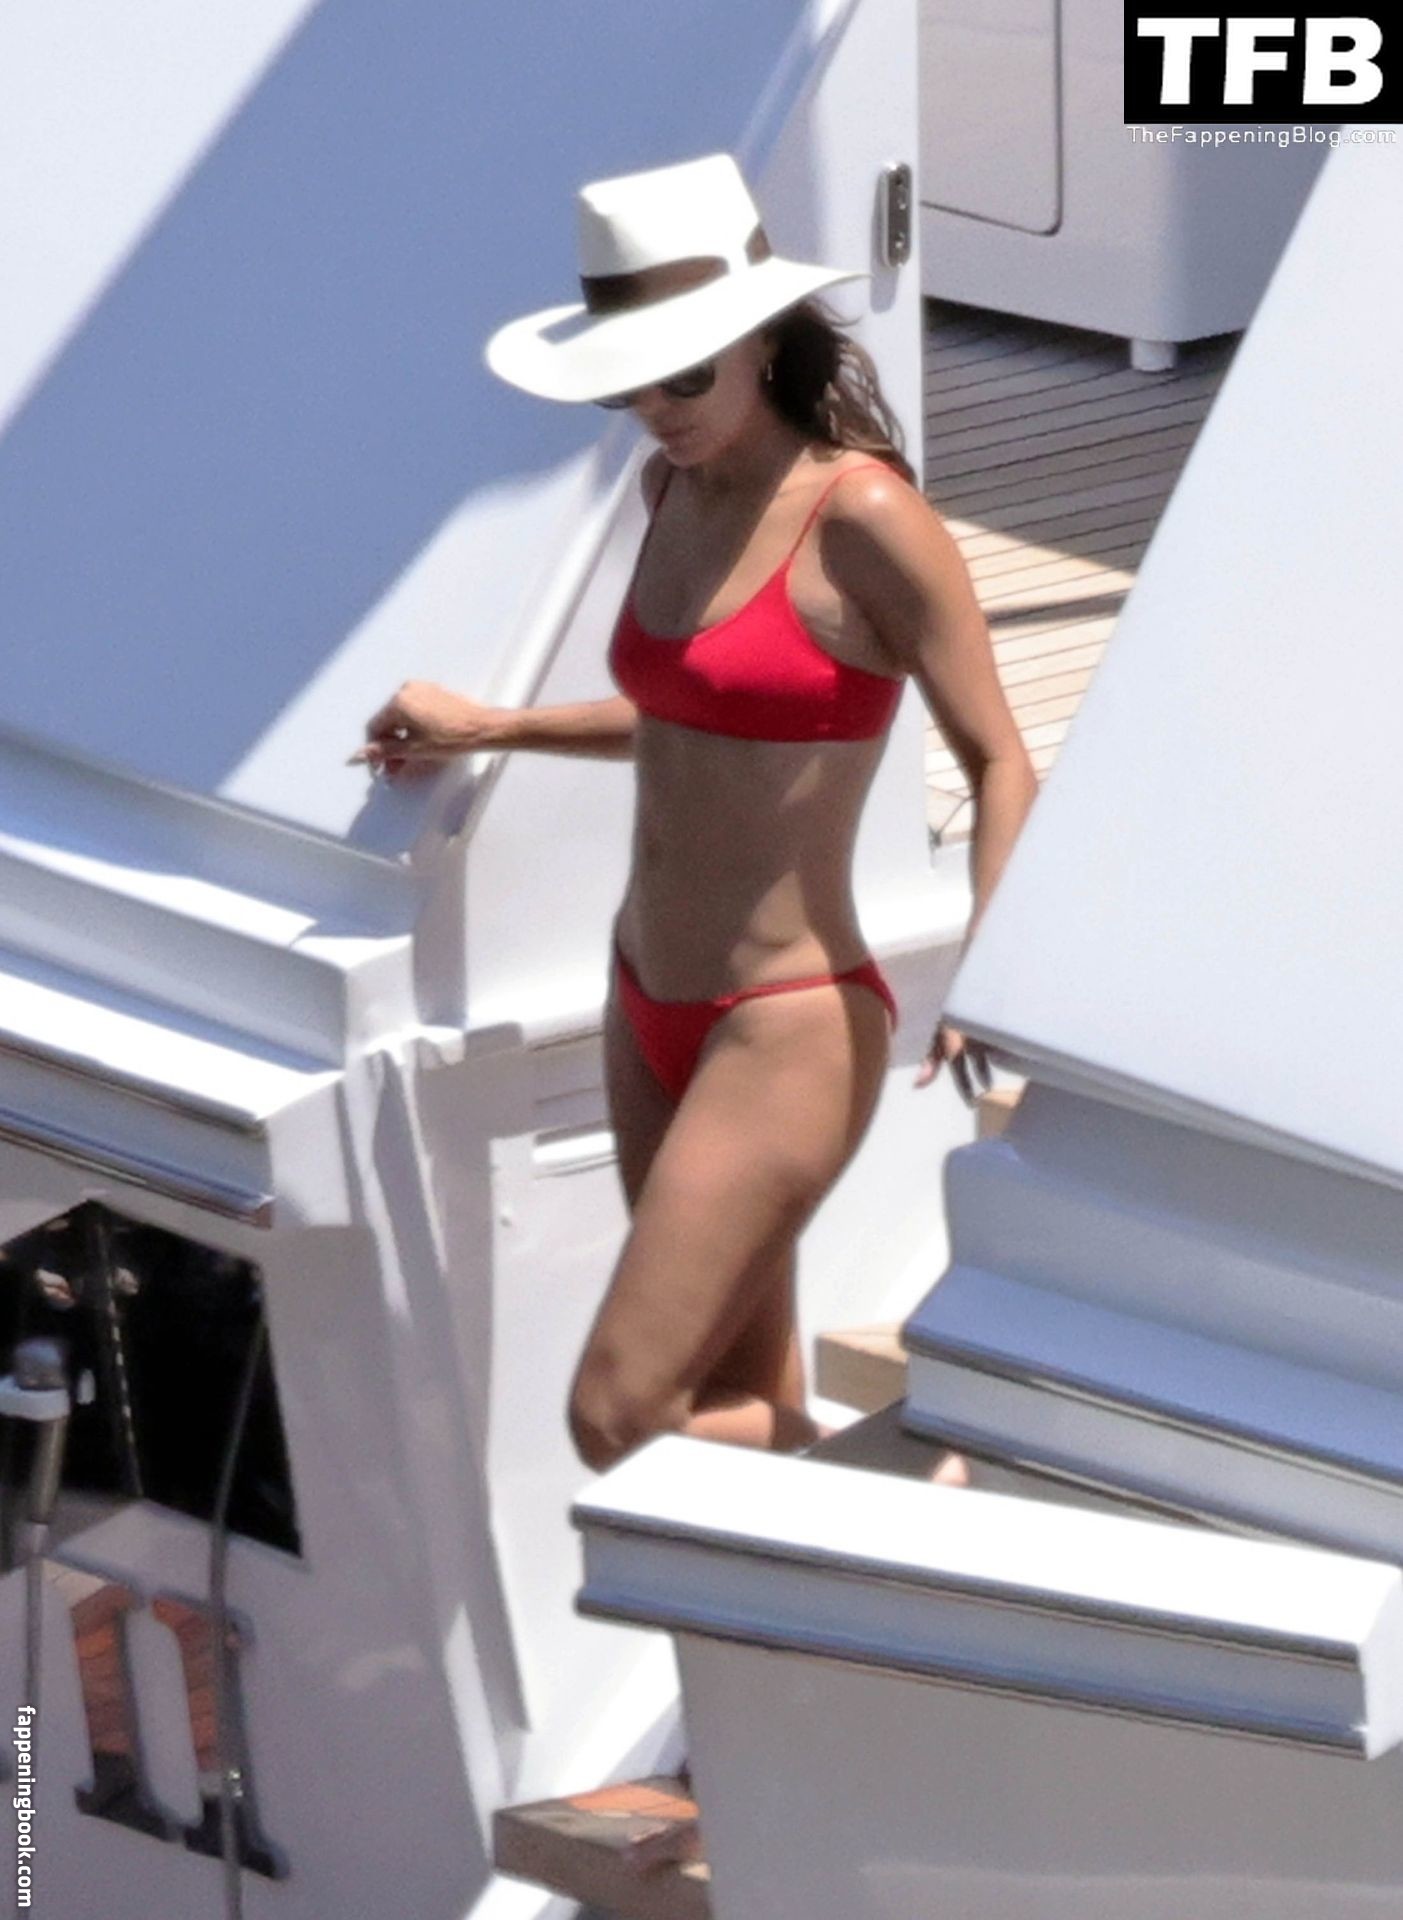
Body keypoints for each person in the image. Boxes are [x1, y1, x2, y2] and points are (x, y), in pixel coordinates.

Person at [354, 153, 1038, 1476]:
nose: (654, 412)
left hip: (787, 1025)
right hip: (646, 999)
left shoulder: (865, 518)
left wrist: (991, 962)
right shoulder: (671, 489)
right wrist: (491, 728)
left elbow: (1002, 757)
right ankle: (829, 1565)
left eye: (682, 376)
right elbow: (694, 717)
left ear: (762, 338)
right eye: (627, 385)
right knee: (740, 1395)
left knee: (621, 1416)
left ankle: (951, 1470)